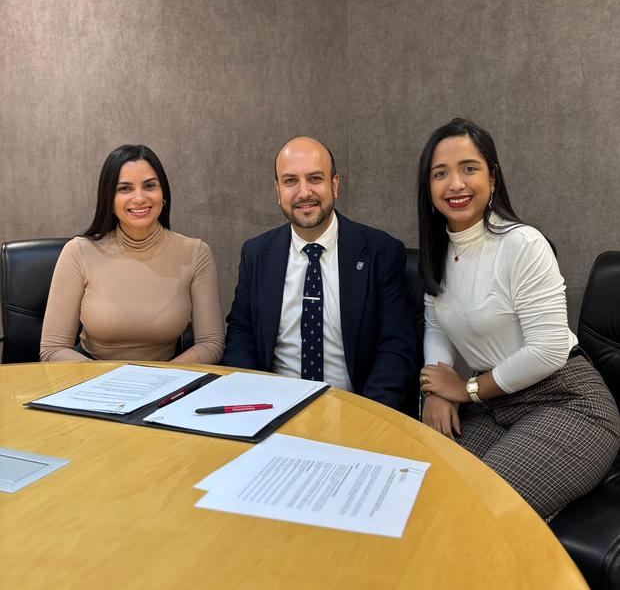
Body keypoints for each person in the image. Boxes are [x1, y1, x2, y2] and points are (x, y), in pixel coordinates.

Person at [417, 117, 620, 518]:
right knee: (424, 491)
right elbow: (437, 324)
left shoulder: (522, 243)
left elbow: (547, 352)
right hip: (496, 407)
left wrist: (467, 390)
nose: (455, 184)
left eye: (469, 168)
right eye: (441, 173)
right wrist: (436, 388)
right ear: (428, 188)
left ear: (492, 177)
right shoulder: (438, 252)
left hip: (567, 400)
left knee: (474, 510)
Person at [222, 136, 416, 413]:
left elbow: (396, 348)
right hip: (274, 410)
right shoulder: (256, 254)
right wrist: (254, 402)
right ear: (278, 190)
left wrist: (370, 418)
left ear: (334, 185)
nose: (304, 193)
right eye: (290, 181)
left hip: (356, 410)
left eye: (315, 178)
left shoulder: (380, 252)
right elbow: (241, 333)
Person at [40, 144, 224, 364]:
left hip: (167, 381)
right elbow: (53, 349)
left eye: (149, 186)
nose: (139, 198)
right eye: (125, 188)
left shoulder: (196, 253)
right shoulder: (78, 252)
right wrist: (109, 381)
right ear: (109, 200)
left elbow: (211, 344)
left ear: (163, 193)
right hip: (90, 380)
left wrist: (161, 380)